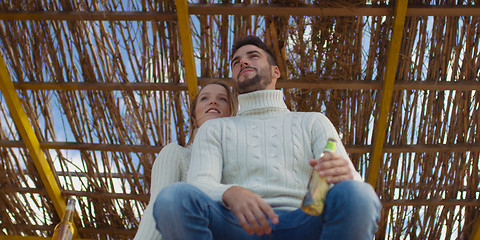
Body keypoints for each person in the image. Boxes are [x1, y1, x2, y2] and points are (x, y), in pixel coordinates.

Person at [153, 36, 381, 240]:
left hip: (305, 221)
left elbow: (355, 187)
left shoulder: (313, 121)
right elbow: (199, 184)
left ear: (275, 72)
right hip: (236, 225)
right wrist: (229, 192)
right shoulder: (216, 129)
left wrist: (346, 175)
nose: (243, 62)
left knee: (357, 194)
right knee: (173, 198)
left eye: (253, 56)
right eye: (236, 61)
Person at [133, 82, 237, 240]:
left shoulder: (239, 162)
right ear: (194, 116)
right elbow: (157, 208)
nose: (213, 101)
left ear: (232, 112)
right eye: (204, 98)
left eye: (222, 99)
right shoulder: (176, 153)